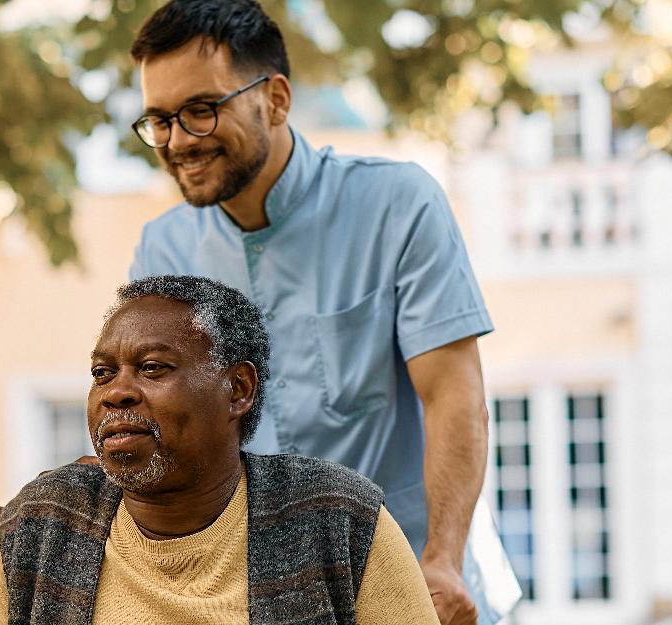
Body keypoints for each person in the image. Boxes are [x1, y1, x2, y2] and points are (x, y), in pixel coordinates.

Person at [122, 1, 503, 622]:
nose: (177, 141)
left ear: (274, 99)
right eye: (159, 119)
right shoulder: (160, 252)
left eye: (200, 110)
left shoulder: (398, 205)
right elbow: (171, 443)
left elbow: (454, 397)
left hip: (416, 587)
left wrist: (443, 558)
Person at [0, 275, 438, 623]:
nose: (116, 392)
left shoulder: (337, 519)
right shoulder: (40, 526)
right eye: (102, 373)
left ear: (238, 389)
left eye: (152, 367)